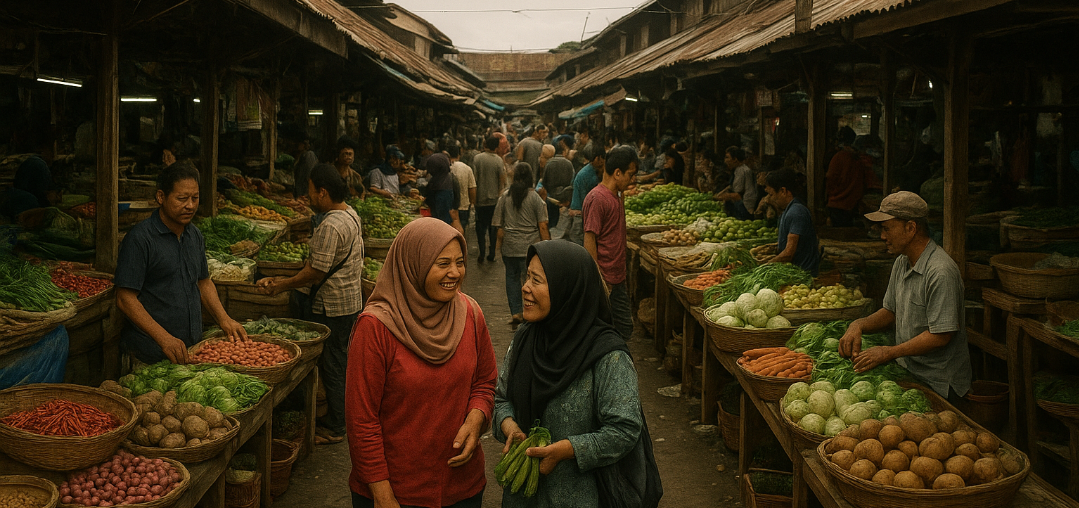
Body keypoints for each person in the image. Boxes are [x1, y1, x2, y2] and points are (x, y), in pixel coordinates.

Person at [346, 218, 497, 508]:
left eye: (460, 262)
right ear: (413, 265)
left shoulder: (470, 313)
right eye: (442, 263)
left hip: (461, 487)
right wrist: (382, 493)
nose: (455, 273)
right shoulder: (376, 327)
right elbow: (361, 419)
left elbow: (485, 381)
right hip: (397, 493)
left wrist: (476, 417)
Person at [493, 240, 646, 507]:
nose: (525, 287)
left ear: (567, 289)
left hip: (581, 496)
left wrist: (568, 449)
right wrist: (509, 425)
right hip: (522, 498)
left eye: (537, 280)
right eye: (527, 277)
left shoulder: (607, 355)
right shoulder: (525, 338)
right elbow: (501, 398)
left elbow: (625, 429)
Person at [256, 164, 363, 443]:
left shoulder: (331, 225)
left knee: (333, 364)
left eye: (312, 191)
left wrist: (282, 284)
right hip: (349, 302)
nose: (309, 197)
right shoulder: (350, 214)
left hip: (332, 306)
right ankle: (338, 417)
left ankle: (336, 426)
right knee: (339, 360)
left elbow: (316, 272)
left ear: (323, 192)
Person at [838, 191, 971, 400]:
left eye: (887, 228)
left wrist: (888, 352)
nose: (882, 236)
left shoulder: (940, 271)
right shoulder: (902, 261)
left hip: (939, 382)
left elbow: (941, 336)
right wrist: (858, 325)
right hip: (910, 370)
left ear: (910, 228)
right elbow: (890, 311)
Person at [115, 161, 248, 365]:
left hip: (191, 350)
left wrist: (224, 319)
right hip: (150, 353)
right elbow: (125, 299)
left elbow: (203, 282)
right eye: (182, 198)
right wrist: (164, 338)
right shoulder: (140, 239)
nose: (190, 205)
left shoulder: (194, 235)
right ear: (161, 197)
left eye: (195, 198)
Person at [583, 146, 638, 340]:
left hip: (617, 277)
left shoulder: (617, 196)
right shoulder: (597, 198)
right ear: (617, 173)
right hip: (605, 279)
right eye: (630, 174)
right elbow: (589, 239)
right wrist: (598, 279)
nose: (632, 180)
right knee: (615, 329)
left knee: (620, 328)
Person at [494, 163, 551, 328]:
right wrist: (547, 246)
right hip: (530, 248)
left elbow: (499, 225)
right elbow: (542, 226)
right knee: (531, 280)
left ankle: (516, 312)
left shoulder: (505, 197)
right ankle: (531, 311)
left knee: (511, 278)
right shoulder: (535, 198)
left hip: (510, 247)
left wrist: (497, 247)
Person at [763, 169, 821, 275]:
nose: (771, 199)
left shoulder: (796, 212)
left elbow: (789, 253)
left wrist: (765, 267)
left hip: (802, 274)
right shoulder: (789, 210)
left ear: (783, 191)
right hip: (793, 271)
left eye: (771, 194)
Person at [826, 126, 870, 227]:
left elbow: (830, 179)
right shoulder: (857, 158)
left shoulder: (839, 157)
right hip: (852, 204)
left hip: (837, 205)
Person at [474, 136, 507, 263]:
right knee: (493, 228)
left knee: (480, 228)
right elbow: (502, 180)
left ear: (485, 145)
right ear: (497, 147)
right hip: (494, 201)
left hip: (480, 200)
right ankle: (492, 253)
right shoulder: (499, 160)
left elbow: (475, 179)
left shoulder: (477, 158)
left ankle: (482, 253)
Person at [563, 150, 606, 246]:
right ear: (598, 159)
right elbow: (586, 199)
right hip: (580, 213)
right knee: (578, 242)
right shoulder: (588, 175)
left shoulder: (591, 171)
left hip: (580, 211)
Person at [714, 146, 758, 220]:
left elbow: (737, 195)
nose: (725, 160)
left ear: (735, 159)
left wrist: (719, 197)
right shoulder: (738, 170)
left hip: (745, 207)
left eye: (727, 157)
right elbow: (731, 187)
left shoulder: (742, 171)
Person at [448, 146, 477, 227]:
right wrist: (472, 203)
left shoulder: (446, 167)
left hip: (449, 207)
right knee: (462, 229)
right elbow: (472, 188)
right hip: (464, 207)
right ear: (459, 154)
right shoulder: (467, 168)